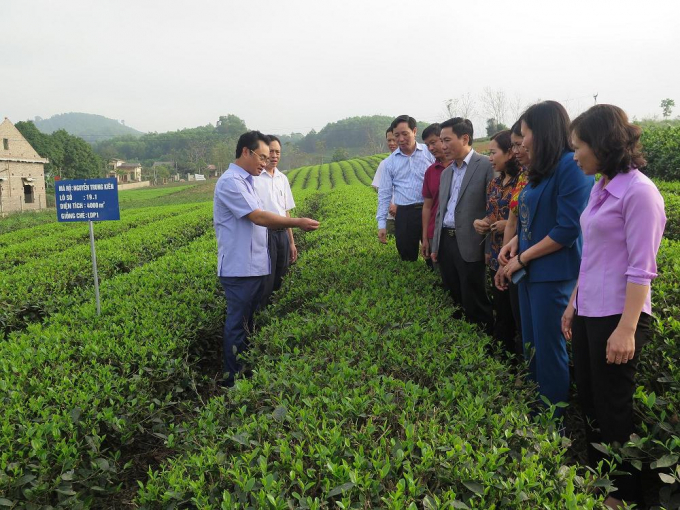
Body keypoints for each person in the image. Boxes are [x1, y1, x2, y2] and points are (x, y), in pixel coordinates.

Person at [562, 104, 666, 508]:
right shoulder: (600, 185)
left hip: (618, 317)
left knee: (613, 409)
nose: (574, 156)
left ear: (601, 144)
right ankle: (597, 480)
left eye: (578, 147)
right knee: (589, 400)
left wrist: (626, 328)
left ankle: (623, 497)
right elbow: (593, 256)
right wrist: (573, 303)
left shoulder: (640, 193)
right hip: (590, 310)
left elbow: (642, 270)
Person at [499, 101, 594, 417]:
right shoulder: (542, 169)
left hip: (553, 275)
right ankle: (535, 409)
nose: (521, 142)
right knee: (533, 346)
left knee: (549, 349)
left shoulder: (570, 166)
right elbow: (534, 218)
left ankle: (554, 423)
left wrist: (523, 257)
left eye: (525, 135)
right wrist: (514, 242)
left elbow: (566, 229)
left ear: (542, 133)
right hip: (530, 272)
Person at [213, 131, 319, 388]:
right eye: (261, 156)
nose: (266, 161)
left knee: (248, 322)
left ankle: (244, 370)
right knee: (238, 324)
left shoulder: (248, 180)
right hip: (239, 269)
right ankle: (232, 378)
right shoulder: (231, 182)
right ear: (246, 152)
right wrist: (297, 222)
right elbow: (258, 217)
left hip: (253, 265)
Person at [431, 117, 494, 332]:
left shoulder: (485, 165)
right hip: (446, 243)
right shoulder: (447, 172)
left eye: (447, 140)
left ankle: (485, 347)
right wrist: (435, 245)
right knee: (454, 297)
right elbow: (441, 211)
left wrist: (488, 248)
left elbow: (492, 209)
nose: (442, 146)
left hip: (471, 243)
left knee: (475, 299)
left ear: (465, 138)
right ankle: (462, 344)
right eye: (441, 140)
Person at [477, 129, 523, 355]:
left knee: (517, 315)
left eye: (494, 152)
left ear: (510, 153)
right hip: (497, 255)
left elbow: (525, 219)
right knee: (501, 308)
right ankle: (503, 355)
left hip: (517, 258)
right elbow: (490, 213)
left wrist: (508, 225)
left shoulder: (523, 181)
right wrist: (482, 222)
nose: (490, 157)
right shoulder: (494, 184)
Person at [377, 115, 435, 261]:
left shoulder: (429, 153)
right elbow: (384, 194)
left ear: (414, 131)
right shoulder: (389, 163)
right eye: (396, 135)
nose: (400, 139)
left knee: (434, 256)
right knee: (407, 258)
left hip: (431, 210)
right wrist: (382, 224)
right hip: (405, 214)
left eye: (405, 134)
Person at [494, 119, 529, 353]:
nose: (518, 151)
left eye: (520, 144)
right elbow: (514, 222)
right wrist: (504, 260)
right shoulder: (526, 178)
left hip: (528, 261)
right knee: (517, 322)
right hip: (513, 258)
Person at [253, 135, 297, 308]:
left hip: (282, 236)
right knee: (266, 280)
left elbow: (286, 212)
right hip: (264, 235)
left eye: (278, 152)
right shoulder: (255, 178)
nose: (274, 155)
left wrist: (292, 242)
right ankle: (260, 318)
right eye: (271, 151)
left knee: (281, 276)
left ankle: (273, 315)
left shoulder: (282, 179)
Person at [420, 123, 452, 270]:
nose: (431, 148)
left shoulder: (461, 167)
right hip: (435, 232)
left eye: (433, 143)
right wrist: (425, 237)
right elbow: (427, 206)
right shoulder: (430, 172)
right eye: (427, 145)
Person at [372, 127, 398, 235]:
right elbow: (378, 187)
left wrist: (399, 206)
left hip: (409, 214)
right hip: (390, 216)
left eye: (394, 139)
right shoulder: (385, 164)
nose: (391, 143)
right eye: (389, 140)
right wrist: (390, 205)